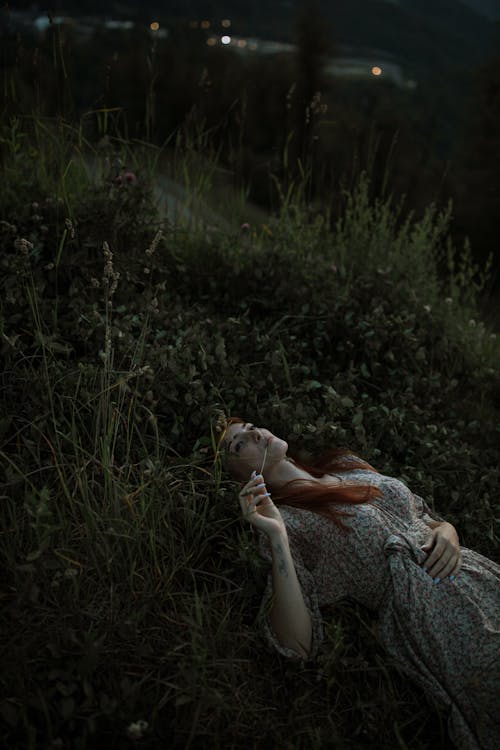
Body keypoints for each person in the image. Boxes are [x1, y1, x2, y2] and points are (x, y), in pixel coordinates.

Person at [218, 416, 500, 750]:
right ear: (240, 479)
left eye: (251, 427)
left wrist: (448, 530)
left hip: (477, 574)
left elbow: (423, 515)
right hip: (432, 616)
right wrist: (277, 535)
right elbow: (297, 644)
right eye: (240, 444)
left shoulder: (344, 464)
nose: (255, 434)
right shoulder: (288, 522)